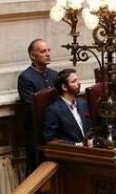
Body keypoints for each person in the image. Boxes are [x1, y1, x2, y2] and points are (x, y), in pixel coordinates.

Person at [18, 38, 59, 174]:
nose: (47, 54)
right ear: (32, 56)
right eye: (43, 51)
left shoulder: (54, 75)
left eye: (48, 50)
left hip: (56, 129)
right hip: (37, 131)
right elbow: (32, 105)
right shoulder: (26, 77)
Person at [42, 69, 92, 146]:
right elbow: (49, 139)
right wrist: (76, 145)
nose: (78, 83)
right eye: (74, 81)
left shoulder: (82, 103)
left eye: (77, 80)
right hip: (70, 152)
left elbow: (90, 127)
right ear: (64, 87)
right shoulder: (54, 110)